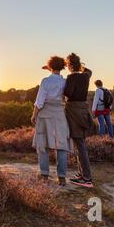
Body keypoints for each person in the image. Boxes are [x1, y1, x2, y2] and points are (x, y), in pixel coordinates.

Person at [32, 56, 73, 187]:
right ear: (62, 67)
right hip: (60, 114)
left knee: (42, 144)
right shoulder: (65, 82)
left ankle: (44, 175)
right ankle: (61, 177)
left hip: (45, 114)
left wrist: (34, 115)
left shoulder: (45, 81)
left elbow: (39, 102)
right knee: (61, 146)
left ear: (50, 66)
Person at [63, 53, 95, 188]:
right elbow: (89, 71)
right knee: (79, 143)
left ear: (70, 66)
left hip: (74, 109)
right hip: (83, 108)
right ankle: (82, 174)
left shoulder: (71, 77)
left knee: (80, 144)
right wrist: (80, 67)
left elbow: (68, 94)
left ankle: (87, 179)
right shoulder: (85, 75)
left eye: (68, 65)